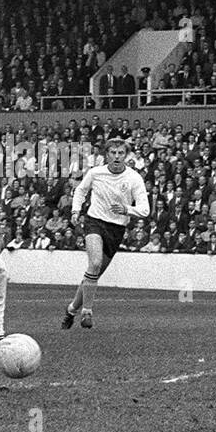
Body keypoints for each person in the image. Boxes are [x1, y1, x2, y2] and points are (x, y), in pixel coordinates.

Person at [62, 137, 150, 330]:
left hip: (116, 229)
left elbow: (145, 209)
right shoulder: (96, 173)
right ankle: (87, 311)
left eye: (121, 153)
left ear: (126, 156)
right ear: (106, 154)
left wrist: (127, 209)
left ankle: (70, 310)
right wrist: (76, 211)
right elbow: (80, 191)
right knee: (94, 263)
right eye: (113, 153)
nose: (117, 157)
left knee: (92, 275)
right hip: (94, 222)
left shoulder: (134, 178)